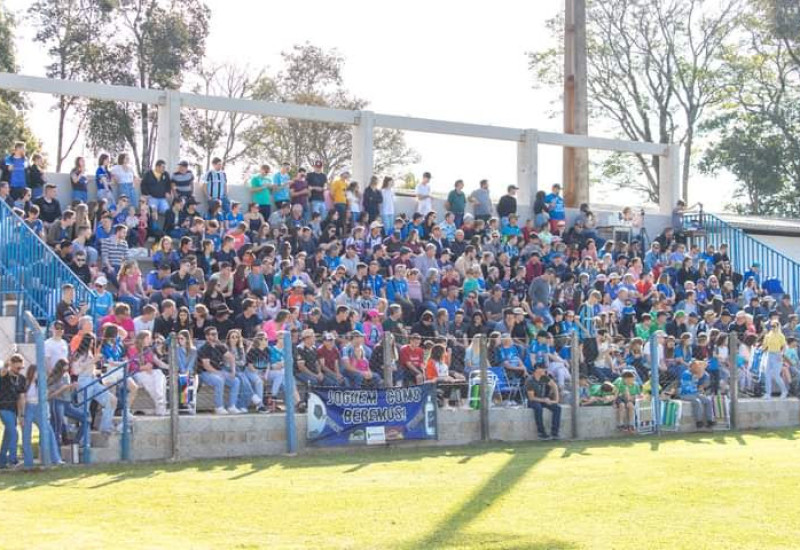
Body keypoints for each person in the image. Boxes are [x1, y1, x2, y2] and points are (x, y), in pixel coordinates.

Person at [21, 362, 64, 467]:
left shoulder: (40, 383)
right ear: (31, 372)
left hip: (39, 408)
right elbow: (22, 398)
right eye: (36, 372)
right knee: (26, 434)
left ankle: (56, 458)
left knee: (49, 431)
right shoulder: (25, 383)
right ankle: (28, 462)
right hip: (28, 407)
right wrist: (21, 414)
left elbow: (45, 396)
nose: (38, 374)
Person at [197, 326, 242, 414]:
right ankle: (219, 407)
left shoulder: (219, 346)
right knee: (219, 381)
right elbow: (206, 366)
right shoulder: (203, 348)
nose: (215, 336)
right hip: (205, 373)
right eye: (213, 334)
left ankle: (232, 406)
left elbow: (231, 357)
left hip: (218, 371)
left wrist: (233, 371)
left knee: (236, 381)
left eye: (216, 334)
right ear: (207, 336)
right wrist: (219, 373)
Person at [0, 353, 26, 468]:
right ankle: (13, 460)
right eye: (17, 368)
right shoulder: (4, 374)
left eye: (21, 368)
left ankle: (1, 461)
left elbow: (21, 398)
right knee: (14, 433)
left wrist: (21, 415)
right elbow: (3, 369)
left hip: (13, 409)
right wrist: (10, 354)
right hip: (3, 407)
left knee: (8, 435)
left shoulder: (21, 379)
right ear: (11, 365)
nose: (19, 370)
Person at [525, 362, 561, 440]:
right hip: (533, 400)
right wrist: (544, 400)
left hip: (543, 399)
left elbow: (554, 385)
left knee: (557, 408)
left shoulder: (544, 377)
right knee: (538, 408)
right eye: (543, 368)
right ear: (537, 369)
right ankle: (541, 433)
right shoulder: (530, 380)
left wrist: (556, 399)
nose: (545, 370)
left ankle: (555, 433)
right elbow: (531, 398)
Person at [679, 360, 714, 429]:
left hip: (695, 393)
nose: (698, 368)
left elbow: (706, 376)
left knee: (708, 401)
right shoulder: (686, 373)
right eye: (696, 367)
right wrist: (703, 368)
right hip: (685, 394)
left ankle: (709, 421)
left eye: (698, 367)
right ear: (691, 367)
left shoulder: (697, 372)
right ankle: (699, 422)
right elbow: (698, 375)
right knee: (697, 401)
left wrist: (703, 366)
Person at [762, 319, 788, 399]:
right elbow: (764, 346)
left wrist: (781, 354)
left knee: (776, 375)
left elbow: (784, 346)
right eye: (771, 326)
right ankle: (768, 393)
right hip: (769, 355)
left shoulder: (781, 335)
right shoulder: (768, 335)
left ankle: (784, 391)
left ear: (778, 326)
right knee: (767, 374)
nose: (772, 327)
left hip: (777, 355)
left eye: (774, 326)